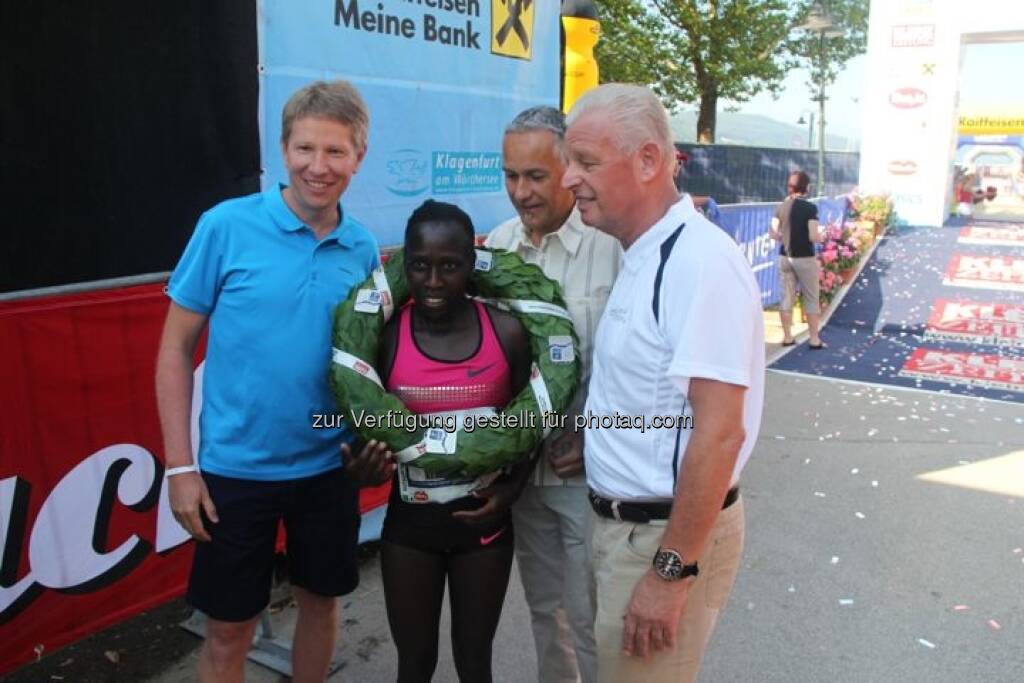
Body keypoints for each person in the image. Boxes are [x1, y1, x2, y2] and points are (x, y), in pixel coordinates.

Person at [155, 80, 393, 683]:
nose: (319, 167)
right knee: (230, 629)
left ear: (359, 157)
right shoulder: (225, 226)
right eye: (306, 149)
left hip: (326, 466)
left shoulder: (362, 247)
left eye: (336, 152)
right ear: (283, 150)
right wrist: (181, 469)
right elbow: (175, 349)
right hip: (234, 472)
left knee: (321, 603)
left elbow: (366, 359)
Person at [561, 83, 765, 683]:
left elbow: (720, 433)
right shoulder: (643, 252)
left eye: (587, 162)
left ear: (649, 161)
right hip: (625, 531)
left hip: (658, 541)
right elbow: (652, 395)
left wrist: (669, 572)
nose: (569, 177)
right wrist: (600, 439)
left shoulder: (698, 263)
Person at [486, 106, 620, 683]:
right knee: (549, 614)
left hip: (589, 477)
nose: (521, 192)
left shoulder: (613, 247)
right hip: (522, 477)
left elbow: (644, 374)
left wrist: (596, 436)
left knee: (596, 618)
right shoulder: (495, 247)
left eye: (535, 176)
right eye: (511, 175)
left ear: (567, 169)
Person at [377, 200, 532, 683]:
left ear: (472, 262)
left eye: (450, 266)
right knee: (414, 664)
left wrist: (511, 490)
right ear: (405, 266)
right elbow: (361, 424)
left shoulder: (505, 332)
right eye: (420, 265)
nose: (434, 281)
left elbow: (534, 423)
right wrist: (359, 467)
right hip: (409, 531)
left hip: (483, 531)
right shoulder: (386, 337)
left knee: (474, 662)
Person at [769, 170, 825, 349]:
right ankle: (814, 339)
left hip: (785, 257)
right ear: (807, 188)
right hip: (805, 259)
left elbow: (772, 232)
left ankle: (787, 337)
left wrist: (783, 237)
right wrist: (822, 236)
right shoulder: (810, 208)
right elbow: (813, 236)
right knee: (811, 297)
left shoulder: (781, 207)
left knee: (786, 297)